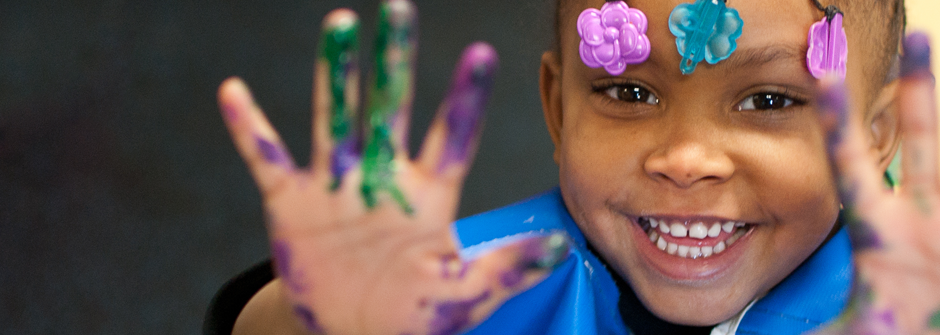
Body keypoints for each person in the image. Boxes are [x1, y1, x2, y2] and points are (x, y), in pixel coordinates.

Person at [205, 0, 940, 334]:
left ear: (877, 134)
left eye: (770, 99)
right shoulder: (459, 290)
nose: (685, 159)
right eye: (628, 91)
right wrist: (315, 321)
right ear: (559, 108)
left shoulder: (905, 304)